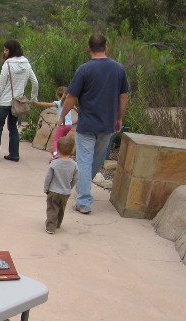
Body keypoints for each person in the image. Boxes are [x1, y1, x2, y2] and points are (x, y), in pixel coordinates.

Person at [58, 33, 129, 214]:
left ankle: (83, 201)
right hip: (107, 124)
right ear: (106, 47)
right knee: (96, 160)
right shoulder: (118, 69)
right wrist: (119, 119)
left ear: (88, 48)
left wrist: (62, 116)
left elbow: (71, 97)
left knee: (84, 161)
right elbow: (123, 97)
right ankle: (84, 193)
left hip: (87, 124)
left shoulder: (84, 69)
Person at [0, 39, 38, 162]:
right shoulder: (26, 64)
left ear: (11, 50)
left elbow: (0, 86)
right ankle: (14, 154)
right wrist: (33, 98)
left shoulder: (7, 65)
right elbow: (35, 82)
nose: (4, 52)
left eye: (6, 50)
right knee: (13, 127)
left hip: (4, 102)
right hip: (18, 103)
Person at [43, 136, 78, 234]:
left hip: (53, 191)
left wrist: (46, 188)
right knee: (61, 208)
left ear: (58, 149)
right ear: (72, 150)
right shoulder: (74, 165)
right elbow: (76, 178)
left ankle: (50, 226)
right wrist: (70, 186)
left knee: (52, 208)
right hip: (65, 192)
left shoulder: (54, 163)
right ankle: (57, 223)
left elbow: (48, 177)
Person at [33, 86, 77, 160]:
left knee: (57, 140)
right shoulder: (69, 103)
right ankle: (61, 154)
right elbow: (75, 109)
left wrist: (36, 103)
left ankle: (55, 155)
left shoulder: (58, 103)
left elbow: (47, 104)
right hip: (69, 125)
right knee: (62, 140)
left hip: (62, 125)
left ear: (57, 94)